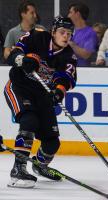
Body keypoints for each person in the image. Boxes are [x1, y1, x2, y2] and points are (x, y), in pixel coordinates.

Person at [4, 16, 77, 188]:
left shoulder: (69, 56)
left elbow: (65, 79)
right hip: (19, 87)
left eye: (69, 33)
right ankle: (18, 169)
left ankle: (39, 165)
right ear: (53, 32)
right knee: (29, 121)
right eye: (62, 32)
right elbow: (12, 53)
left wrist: (58, 93)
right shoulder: (37, 36)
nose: (66, 36)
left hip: (42, 94)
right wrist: (22, 60)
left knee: (52, 142)